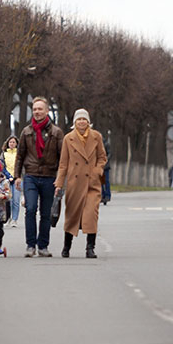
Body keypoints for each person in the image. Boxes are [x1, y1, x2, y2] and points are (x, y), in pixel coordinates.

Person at [14, 97, 64, 257]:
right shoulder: (26, 132)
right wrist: (17, 176)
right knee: (30, 209)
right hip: (31, 176)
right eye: (35, 109)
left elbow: (62, 157)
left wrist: (60, 181)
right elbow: (20, 155)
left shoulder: (56, 132)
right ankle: (30, 245)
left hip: (50, 177)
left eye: (40, 109)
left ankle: (43, 246)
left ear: (47, 111)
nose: (37, 112)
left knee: (45, 213)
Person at [54, 108, 107, 258]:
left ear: (88, 122)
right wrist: (59, 184)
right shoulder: (68, 139)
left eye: (84, 119)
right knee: (71, 216)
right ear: (74, 122)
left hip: (92, 183)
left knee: (91, 215)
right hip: (74, 184)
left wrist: (97, 171)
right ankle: (66, 247)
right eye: (79, 119)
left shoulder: (96, 137)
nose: (82, 122)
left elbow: (102, 157)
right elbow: (63, 163)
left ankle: (90, 248)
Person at [1, 136, 21, 227]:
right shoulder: (4, 154)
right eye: (10, 142)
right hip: (7, 180)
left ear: (16, 143)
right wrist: (8, 176)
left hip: (17, 179)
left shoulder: (20, 154)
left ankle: (14, 219)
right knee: (8, 200)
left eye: (13, 142)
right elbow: (2, 167)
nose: (12, 144)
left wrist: (17, 176)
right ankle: (7, 218)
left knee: (16, 200)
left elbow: (22, 166)